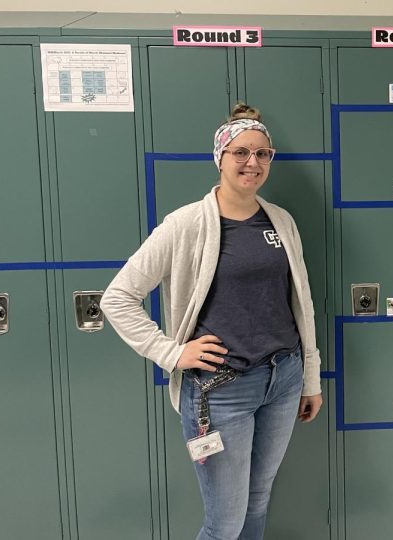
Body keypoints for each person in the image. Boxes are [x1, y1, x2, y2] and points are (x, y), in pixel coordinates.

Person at [100, 102, 323, 540]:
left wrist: (309, 376)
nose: (252, 163)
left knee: (257, 503)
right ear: (220, 156)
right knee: (224, 523)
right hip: (221, 392)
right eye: (241, 152)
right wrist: (171, 352)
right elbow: (118, 297)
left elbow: (302, 303)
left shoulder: (281, 221)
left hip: (283, 380)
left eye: (262, 154)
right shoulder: (185, 225)